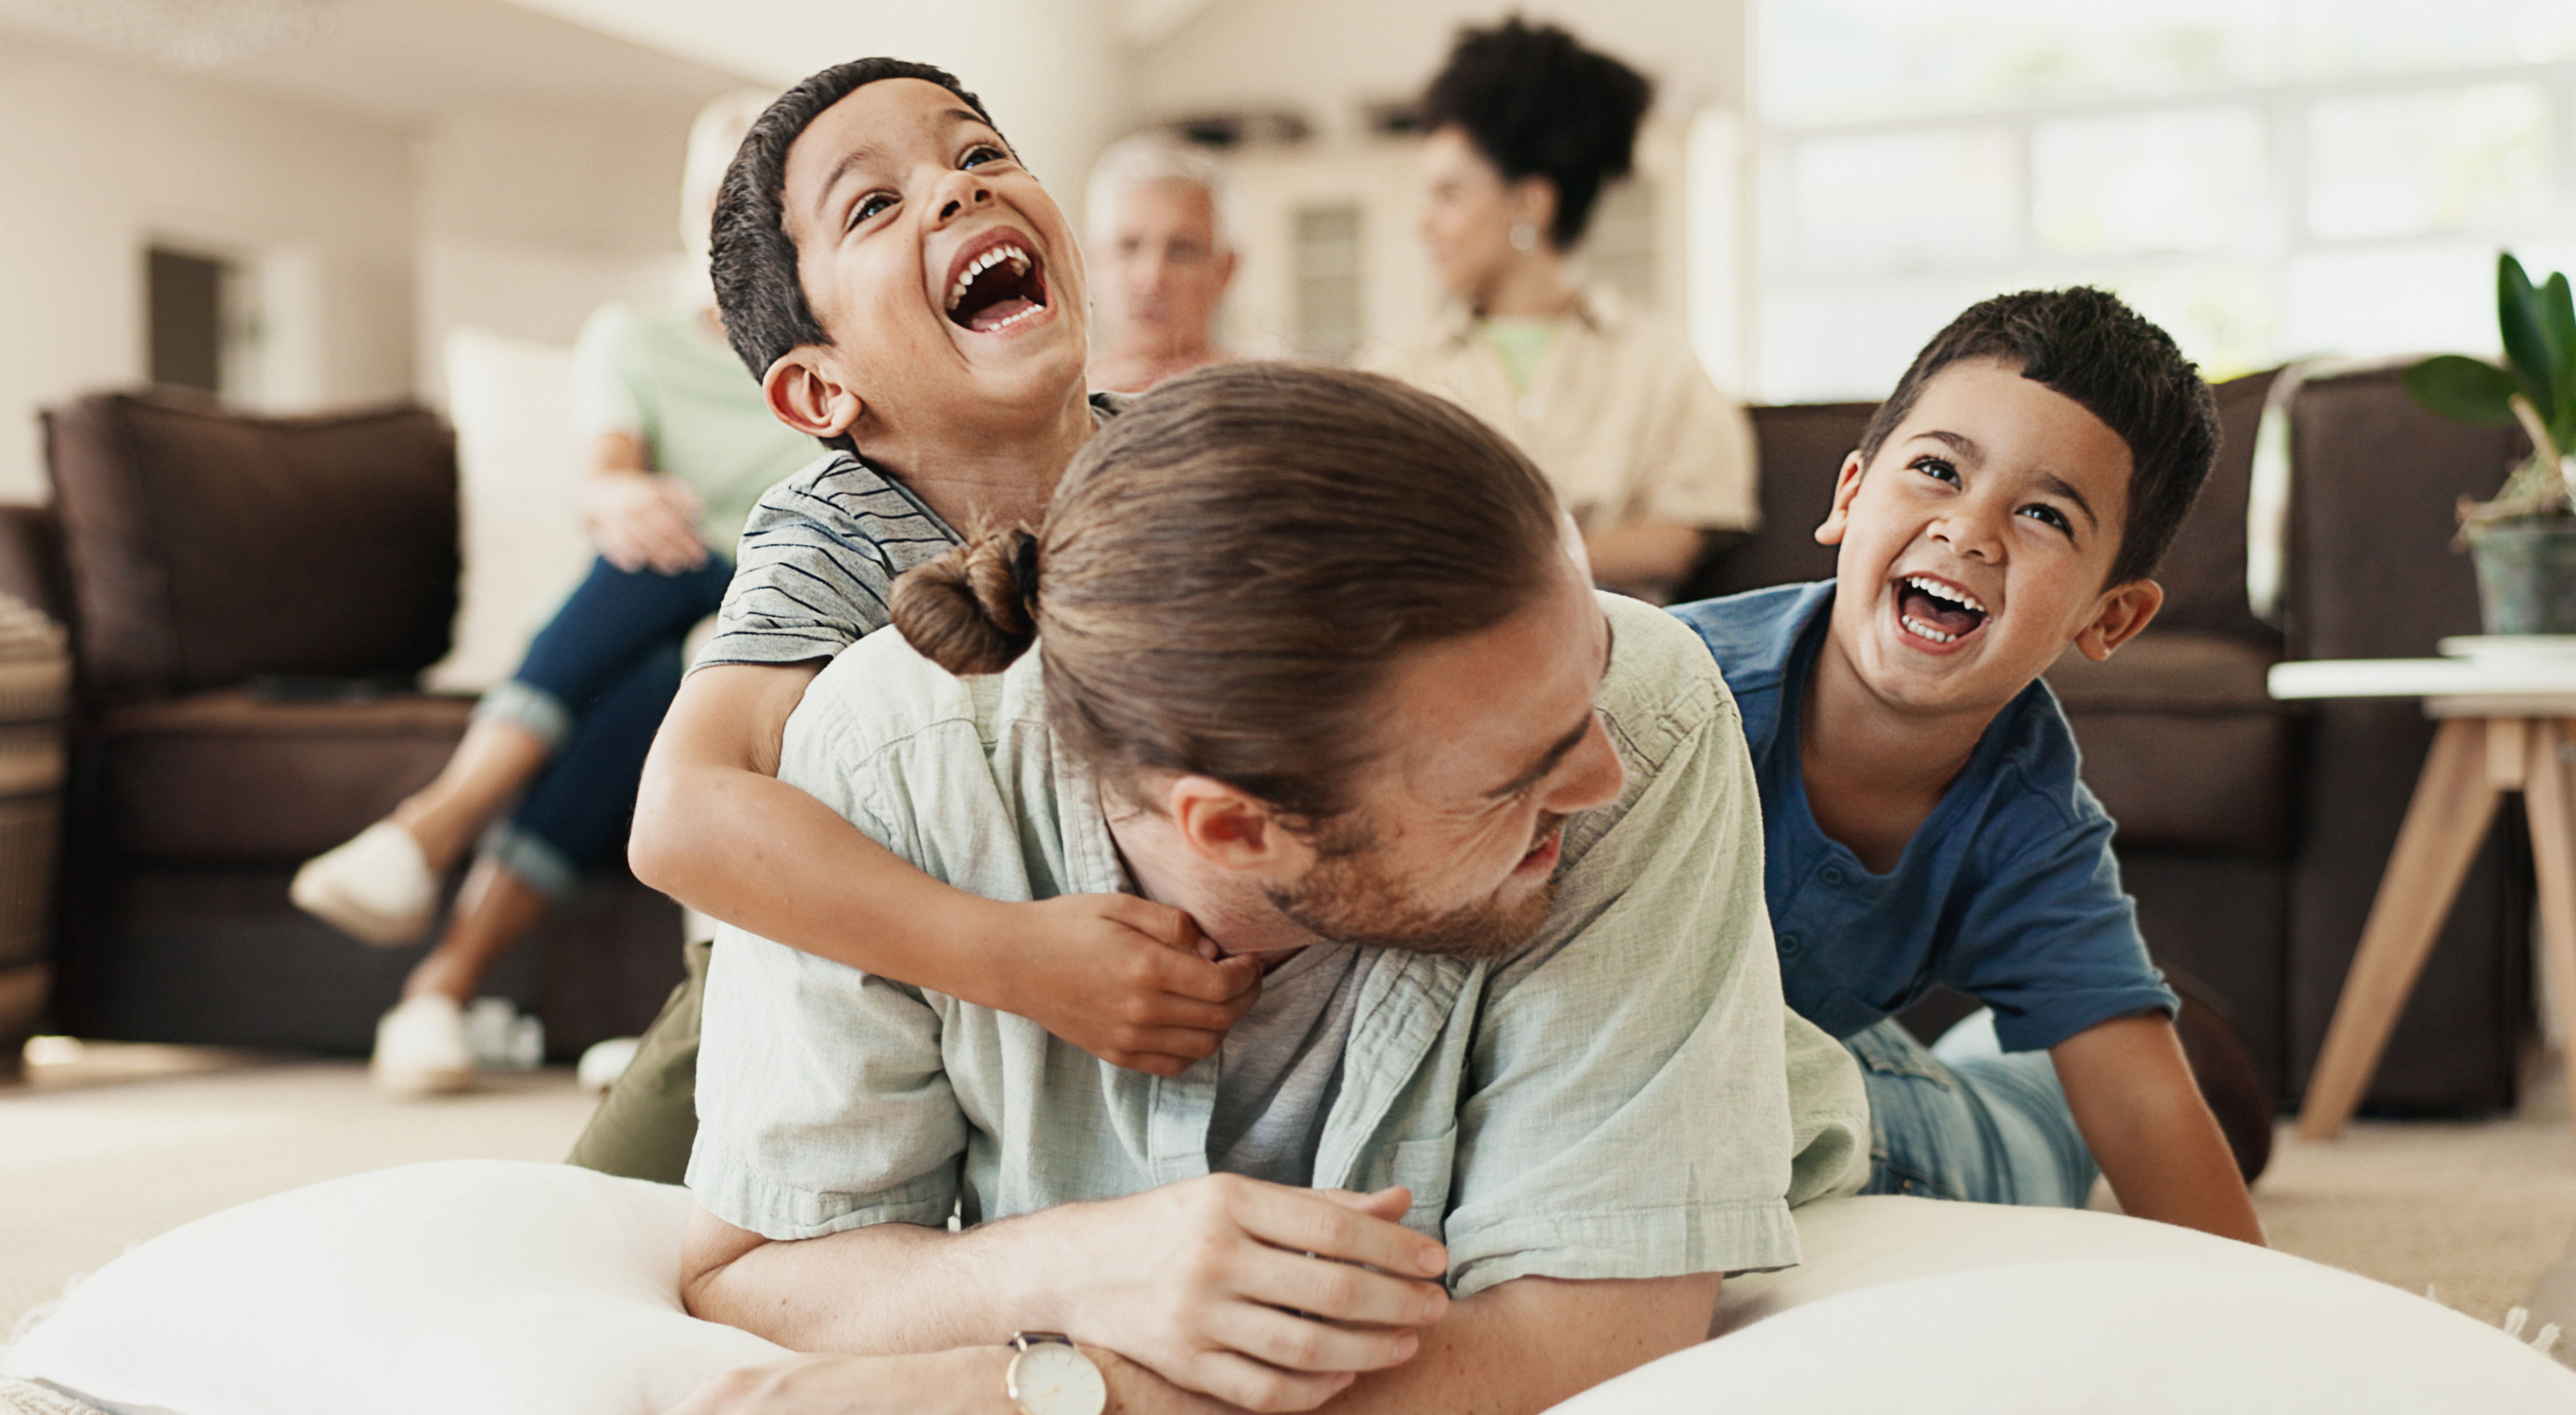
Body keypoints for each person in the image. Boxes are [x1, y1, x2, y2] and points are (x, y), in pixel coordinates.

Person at [626, 361, 1868, 1415]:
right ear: (1231, 827)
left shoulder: (1645, 721)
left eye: (1581, 679)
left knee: (1970, 1114)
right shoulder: (885, 762)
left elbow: (1577, 1359)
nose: (1595, 773)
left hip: (1801, 1097)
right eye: (1515, 776)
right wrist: (1081, 1266)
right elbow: (758, 1274)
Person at [564, 59, 1265, 1179]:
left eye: (980, 153)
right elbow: (682, 815)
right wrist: (1016, 960)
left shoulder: (1189, 465)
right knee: (605, 1233)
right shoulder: (835, 525)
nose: (957, 189)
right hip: (845, 953)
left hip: (1135, 930)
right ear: (818, 392)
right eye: (875, 204)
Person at [1673, 287, 2265, 1241]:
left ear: (2108, 617)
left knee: (2005, 1152)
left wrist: (2271, 1336)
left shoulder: (2028, 823)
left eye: (2042, 514)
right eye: (1938, 469)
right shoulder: (1667, 697)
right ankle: (2027, 1042)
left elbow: (2141, 1112)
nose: (1970, 530)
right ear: (1849, 495)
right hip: (1737, 1051)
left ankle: (2065, 1059)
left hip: (1847, 1089)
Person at [286, 91, 826, 1095]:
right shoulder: (635, 339)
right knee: (646, 642)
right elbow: (607, 468)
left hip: (775, 595)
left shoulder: (834, 356)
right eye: (712, 202)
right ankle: (439, 977)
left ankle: (431, 870)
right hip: (660, 600)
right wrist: (618, 493)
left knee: (692, 610)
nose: (731, 225)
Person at [1361, 18, 1753, 605]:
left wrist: (1498, 566)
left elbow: (1674, 540)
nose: (1422, 222)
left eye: (1448, 194)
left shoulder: (1660, 364)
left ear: (1530, 203)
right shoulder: (1393, 374)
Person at [1080, 136, 1239, 395]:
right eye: (1129, 247)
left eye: (1182, 251)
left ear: (1226, 269)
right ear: (1093, 261)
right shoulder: (1054, 410)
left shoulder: (1263, 402)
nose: (1151, 278)